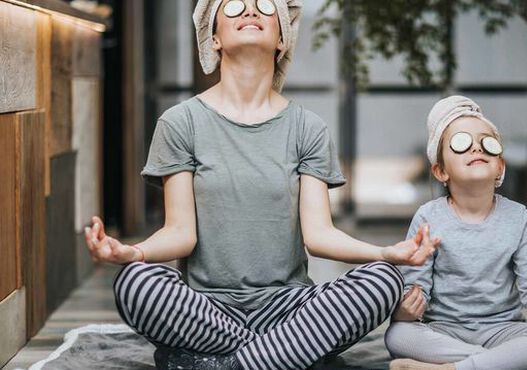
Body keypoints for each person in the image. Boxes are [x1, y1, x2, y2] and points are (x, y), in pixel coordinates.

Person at [83, 1, 439, 369]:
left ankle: (224, 363)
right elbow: (180, 233)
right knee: (135, 283)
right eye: (234, 4)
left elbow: (318, 235)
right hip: (206, 311)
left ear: (283, 39)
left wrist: (385, 254)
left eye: (265, 6)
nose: (250, 11)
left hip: (289, 308)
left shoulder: (307, 128)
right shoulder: (180, 123)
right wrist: (132, 254)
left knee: (381, 280)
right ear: (214, 37)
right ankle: (281, 355)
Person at [384, 96, 527, 370]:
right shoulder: (428, 217)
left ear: (500, 166)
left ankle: (454, 368)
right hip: (445, 330)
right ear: (440, 171)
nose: (476, 148)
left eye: (487, 142)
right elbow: (417, 288)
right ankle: (514, 363)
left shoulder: (519, 218)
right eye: (461, 143)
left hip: (503, 330)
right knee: (398, 335)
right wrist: (406, 310)